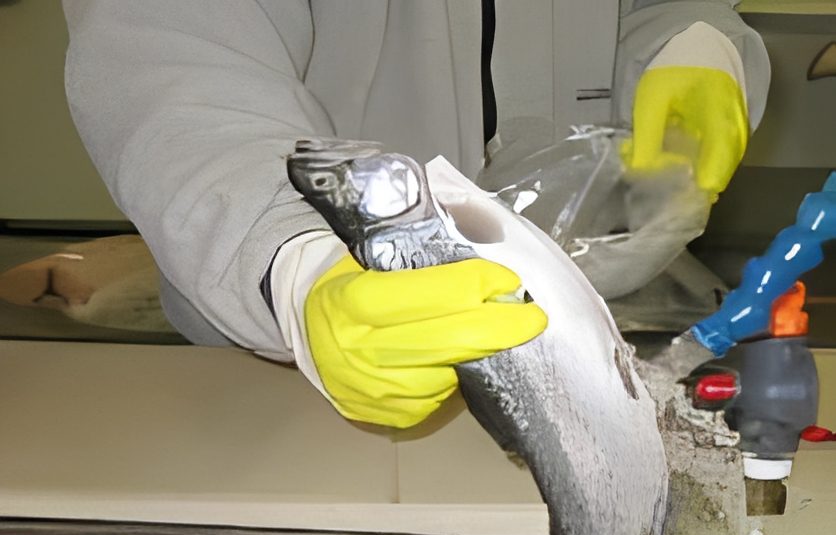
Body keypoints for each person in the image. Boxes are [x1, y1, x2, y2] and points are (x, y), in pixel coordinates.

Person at [61, 0, 770, 428]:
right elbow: (171, 64)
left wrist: (691, 44)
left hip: (569, 342)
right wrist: (298, 260)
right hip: (295, 359)